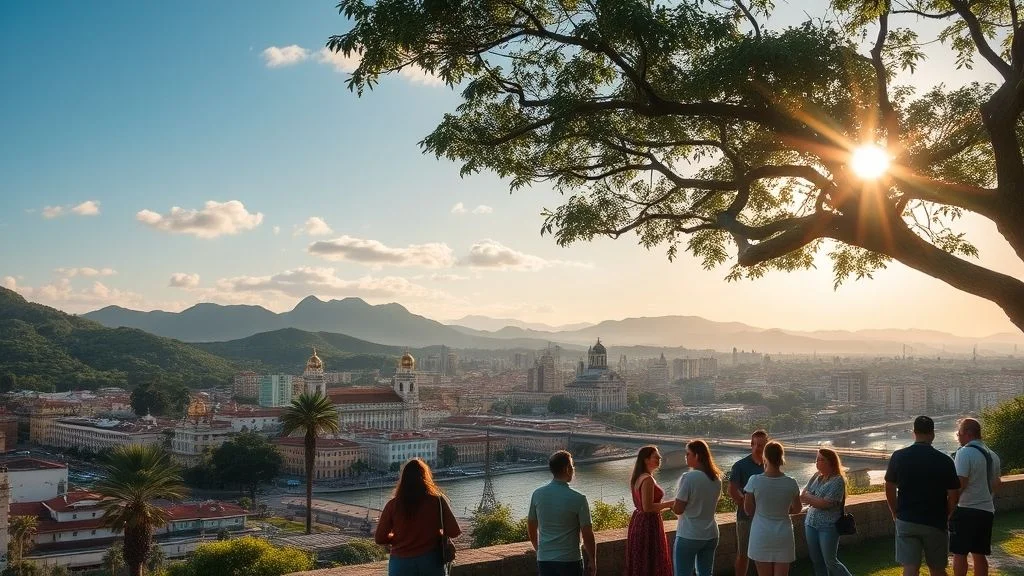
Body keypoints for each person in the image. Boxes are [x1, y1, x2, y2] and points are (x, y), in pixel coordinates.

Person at [884, 416, 961, 576]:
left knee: (910, 568)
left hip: (906, 519)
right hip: (935, 521)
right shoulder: (945, 460)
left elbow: (889, 487)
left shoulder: (898, 456)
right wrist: (946, 515)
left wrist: (894, 512)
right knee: (937, 568)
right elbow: (954, 495)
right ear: (932, 434)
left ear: (914, 433)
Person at [375, 458, 462, 576]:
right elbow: (454, 531)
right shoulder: (437, 502)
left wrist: (399, 539)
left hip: (401, 564)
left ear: (403, 479)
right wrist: (436, 534)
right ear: (426, 477)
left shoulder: (392, 505)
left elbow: (379, 538)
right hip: (431, 561)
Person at [528, 450, 597, 576]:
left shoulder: (537, 494)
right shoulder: (579, 498)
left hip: (544, 560)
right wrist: (593, 560)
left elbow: (531, 527)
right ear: (567, 469)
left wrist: (539, 550)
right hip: (570, 560)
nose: (573, 469)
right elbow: (587, 534)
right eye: (572, 465)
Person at [951, 417, 1002, 576]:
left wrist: (950, 507)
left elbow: (960, 483)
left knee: (959, 554)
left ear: (967, 433)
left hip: (966, 510)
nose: (958, 437)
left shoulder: (964, 452)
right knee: (979, 555)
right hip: (986, 510)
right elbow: (996, 483)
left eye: (959, 433)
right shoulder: (992, 455)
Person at [743, 440, 801, 576]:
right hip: (783, 534)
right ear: (781, 457)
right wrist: (783, 511)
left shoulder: (754, 480)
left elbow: (748, 510)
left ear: (765, 457)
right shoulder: (791, 483)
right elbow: (797, 508)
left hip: (761, 534)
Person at [672, 439, 724, 576]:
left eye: (688, 454)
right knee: (706, 573)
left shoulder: (688, 478)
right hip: (711, 534)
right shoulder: (716, 479)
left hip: (689, 534)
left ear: (697, 456)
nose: (686, 456)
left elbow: (678, 509)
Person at [801, 448, 852, 576]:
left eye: (821, 459)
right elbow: (803, 496)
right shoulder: (816, 477)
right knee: (817, 561)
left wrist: (811, 498)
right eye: (816, 459)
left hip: (828, 526)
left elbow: (825, 504)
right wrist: (815, 499)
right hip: (810, 524)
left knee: (830, 561)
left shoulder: (838, 481)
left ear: (830, 462)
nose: (817, 462)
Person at [625, 445, 673, 576]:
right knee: (652, 560)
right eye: (656, 457)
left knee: (642, 561)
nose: (660, 458)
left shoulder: (638, 477)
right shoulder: (648, 479)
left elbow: (642, 506)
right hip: (648, 524)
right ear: (646, 460)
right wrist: (671, 503)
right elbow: (648, 507)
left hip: (638, 521)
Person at [730, 429, 769, 576]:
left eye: (763, 445)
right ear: (751, 445)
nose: (760, 448)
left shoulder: (769, 466)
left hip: (765, 517)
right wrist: (748, 508)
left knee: (764, 553)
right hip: (745, 518)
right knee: (743, 553)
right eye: (757, 445)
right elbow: (732, 491)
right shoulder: (740, 465)